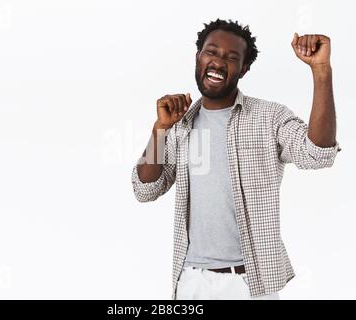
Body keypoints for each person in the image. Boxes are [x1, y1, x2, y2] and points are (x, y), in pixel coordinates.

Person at [131, 18, 341, 300]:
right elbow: (145, 189)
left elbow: (318, 154)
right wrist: (160, 130)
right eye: (211, 52)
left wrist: (320, 70)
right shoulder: (180, 125)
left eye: (231, 57)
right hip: (192, 282)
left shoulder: (269, 117)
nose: (218, 62)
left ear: (244, 69)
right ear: (198, 57)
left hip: (249, 285)